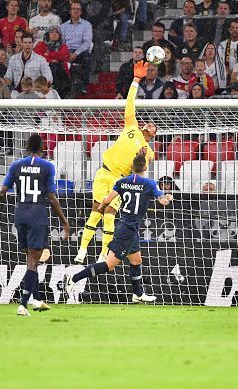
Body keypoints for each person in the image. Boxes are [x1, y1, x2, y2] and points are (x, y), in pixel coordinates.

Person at [74, 60, 156, 264]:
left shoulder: (149, 152)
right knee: (96, 209)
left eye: (155, 126)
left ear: (153, 136)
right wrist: (136, 80)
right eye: (149, 122)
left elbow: (139, 172)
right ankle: (82, 250)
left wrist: (142, 156)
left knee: (110, 213)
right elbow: (130, 102)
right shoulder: (132, 126)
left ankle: (103, 253)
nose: (150, 125)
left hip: (119, 182)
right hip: (104, 172)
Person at [65, 154, 172, 303]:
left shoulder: (122, 182)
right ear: (145, 167)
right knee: (109, 265)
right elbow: (163, 202)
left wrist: (99, 210)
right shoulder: (150, 184)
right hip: (127, 230)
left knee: (136, 260)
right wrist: (168, 197)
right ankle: (74, 278)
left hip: (126, 226)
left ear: (132, 167)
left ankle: (138, 294)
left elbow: (107, 200)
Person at [0, 134, 70, 316]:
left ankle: (37, 300)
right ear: (42, 148)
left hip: (20, 215)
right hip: (37, 214)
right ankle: (23, 303)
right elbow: (52, 197)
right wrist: (64, 221)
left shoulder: (16, 165)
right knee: (32, 261)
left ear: (26, 147)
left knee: (31, 258)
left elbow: (2, 192)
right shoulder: (47, 166)